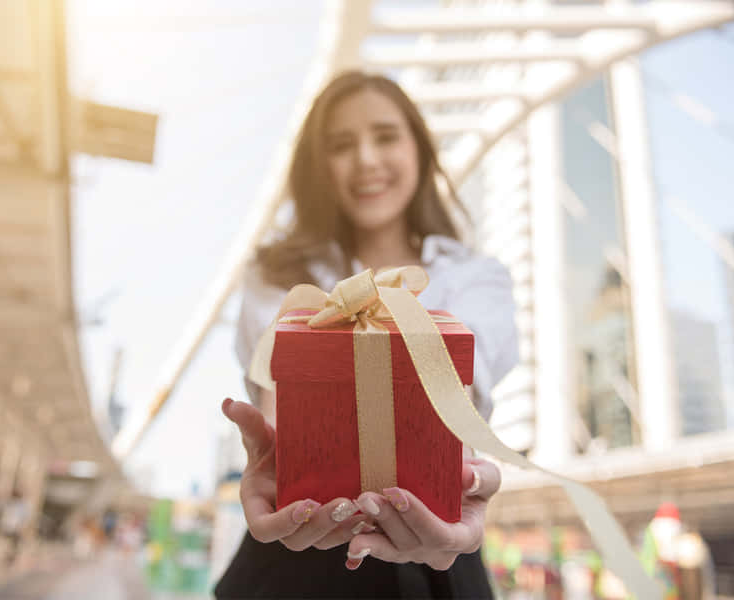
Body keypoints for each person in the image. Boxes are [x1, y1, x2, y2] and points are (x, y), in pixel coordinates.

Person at [216, 70, 519, 598]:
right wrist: (275, 450)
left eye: (385, 136)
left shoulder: (476, 277)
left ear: (420, 150)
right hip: (295, 541)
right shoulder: (277, 274)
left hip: (437, 545)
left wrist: (455, 474)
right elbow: (280, 399)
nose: (366, 160)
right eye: (341, 145)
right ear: (318, 167)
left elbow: (459, 388)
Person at [0, 490, 30, 566]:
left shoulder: (21, 505)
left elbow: (23, 518)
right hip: (10, 526)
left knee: (12, 544)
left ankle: (10, 556)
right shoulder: (11, 504)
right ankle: (8, 556)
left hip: (13, 527)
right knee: (10, 543)